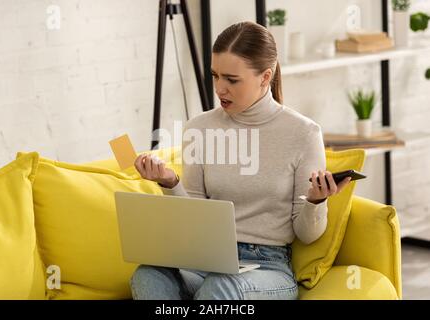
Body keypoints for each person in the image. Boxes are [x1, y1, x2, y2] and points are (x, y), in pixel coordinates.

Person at [130, 21, 352, 300]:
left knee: (222, 286)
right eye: (215, 76)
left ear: (264, 77)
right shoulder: (199, 128)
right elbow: (195, 220)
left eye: (232, 80)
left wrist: (317, 201)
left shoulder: (303, 133)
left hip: (267, 266)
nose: (220, 89)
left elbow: (307, 235)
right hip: (206, 261)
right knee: (148, 275)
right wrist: (170, 182)